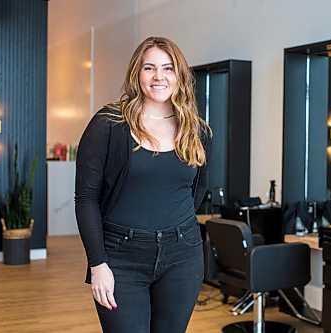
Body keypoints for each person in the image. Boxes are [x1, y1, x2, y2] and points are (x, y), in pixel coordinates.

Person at [75, 36, 211, 333]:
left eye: (168, 68)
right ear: (137, 73)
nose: (159, 76)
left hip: (183, 256)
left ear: (180, 76)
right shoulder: (108, 124)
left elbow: (197, 191)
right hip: (120, 257)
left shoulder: (196, 129)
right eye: (149, 68)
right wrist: (98, 265)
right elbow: (85, 199)